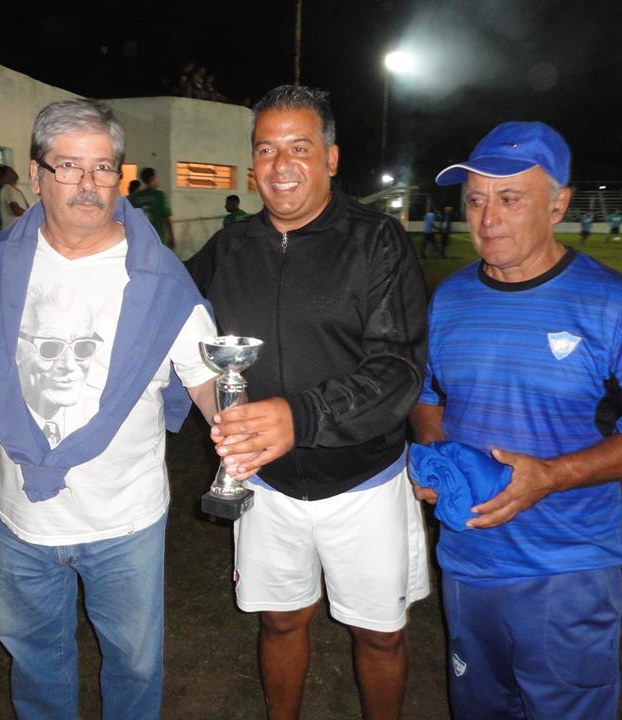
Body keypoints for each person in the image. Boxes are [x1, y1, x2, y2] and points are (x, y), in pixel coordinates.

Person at [0, 99, 218, 720]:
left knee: (135, 663)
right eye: (69, 166)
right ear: (36, 175)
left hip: (123, 521)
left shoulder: (161, 280)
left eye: (103, 168)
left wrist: (239, 432)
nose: (88, 184)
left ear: (120, 176)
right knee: (36, 662)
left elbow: (209, 382)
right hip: (16, 517)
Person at [411, 121, 622, 720]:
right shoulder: (450, 298)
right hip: (468, 557)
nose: (487, 219)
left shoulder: (613, 302)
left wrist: (552, 476)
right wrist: (437, 457)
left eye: (510, 199)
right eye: (477, 200)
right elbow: (428, 394)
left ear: (558, 204)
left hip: (566, 566)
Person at [187, 85, 430, 720]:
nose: (281, 164)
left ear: (330, 158)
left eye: (300, 147)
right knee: (280, 626)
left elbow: (398, 368)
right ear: (252, 164)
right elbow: (164, 315)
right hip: (264, 487)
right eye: (266, 149)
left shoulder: (377, 242)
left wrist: (305, 416)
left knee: (380, 634)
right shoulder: (230, 248)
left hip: (364, 482)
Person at [130, 167, 175, 249]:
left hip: (141, 240)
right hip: (158, 239)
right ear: (152, 178)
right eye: (156, 178)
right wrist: (172, 237)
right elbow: (167, 218)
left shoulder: (136, 197)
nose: (158, 180)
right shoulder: (159, 195)